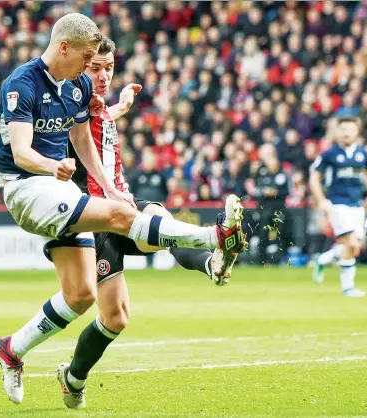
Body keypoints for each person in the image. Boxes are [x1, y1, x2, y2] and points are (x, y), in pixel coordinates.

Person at [0, 14, 247, 405]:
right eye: (91, 62)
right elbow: (23, 152)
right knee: (126, 217)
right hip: (30, 188)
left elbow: (83, 131)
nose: (95, 72)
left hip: (69, 202)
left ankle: (13, 349)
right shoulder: (21, 84)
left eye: (106, 66)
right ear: (65, 48)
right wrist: (53, 165)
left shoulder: (78, 88)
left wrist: (111, 175)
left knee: (82, 297)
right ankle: (215, 238)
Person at [55, 37, 237, 408]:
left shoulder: (96, 105)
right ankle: (73, 377)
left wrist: (118, 107)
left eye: (109, 67)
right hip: (95, 218)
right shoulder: (66, 105)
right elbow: (72, 135)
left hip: (123, 204)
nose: (104, 75)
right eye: (96, 68)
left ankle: (212, 262)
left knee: (162, 223)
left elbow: (95, 122)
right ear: (80, 65)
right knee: (116, 317)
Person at [309, 117, 367, 297]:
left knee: (354, 248)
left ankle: (322, 259)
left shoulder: (362, 154)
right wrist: (321, 200)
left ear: (357, 132)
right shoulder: (329, 154)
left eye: (351, 128)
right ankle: (348, 288)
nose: (347, 132)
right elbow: (314, 177)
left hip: (357, 205)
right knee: (351, 243)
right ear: (337, 132)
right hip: (338, 204)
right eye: (343, 129)